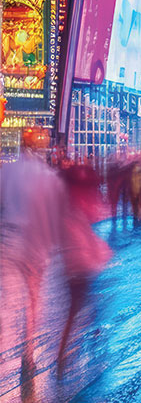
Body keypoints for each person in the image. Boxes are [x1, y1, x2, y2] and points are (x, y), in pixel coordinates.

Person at [0, 127, 64, 385]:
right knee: (33, 299)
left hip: (9, 240)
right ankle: (27, 354)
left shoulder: (7, 172)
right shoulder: (46, 176)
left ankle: (7, 345)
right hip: (33, 244)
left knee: (8, 300)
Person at [58, 162, 112, 374]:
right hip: (80, 268)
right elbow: (85, 240)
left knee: (82, 306)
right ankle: (67, 354)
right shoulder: (75, 214)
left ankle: (68, 351)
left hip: (74, 268)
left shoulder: (68, 211)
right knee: (78, 309)